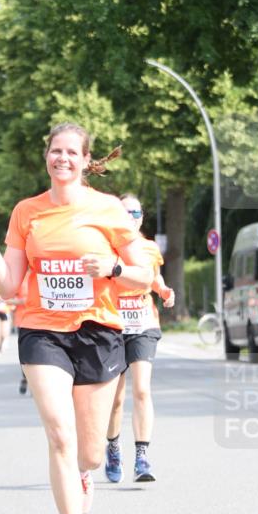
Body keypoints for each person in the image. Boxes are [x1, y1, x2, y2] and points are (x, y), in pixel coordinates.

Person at [0, 122, 153, 514]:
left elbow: (142, 277)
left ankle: (85, 473)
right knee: (59, 435)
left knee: (86, 451)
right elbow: (8, 288)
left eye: (70, 152)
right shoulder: (27, 212)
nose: (61, 158)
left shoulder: (109, 210)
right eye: (54, 150)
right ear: (46, 156)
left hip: (98, 331)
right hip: (42, 331)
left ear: (87, 161)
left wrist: (113, 266)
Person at [105, 195, 175, 485]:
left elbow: (152, 278)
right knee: (116, 399)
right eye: (125, 211)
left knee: (142, 390)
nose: (131, 215)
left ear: (141, 217)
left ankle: (142, 456)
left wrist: (164, 291)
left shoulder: (148, 247)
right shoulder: (107, 247)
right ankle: (112, 446)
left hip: (143, 323)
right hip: (113, 325)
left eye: (135, 211)